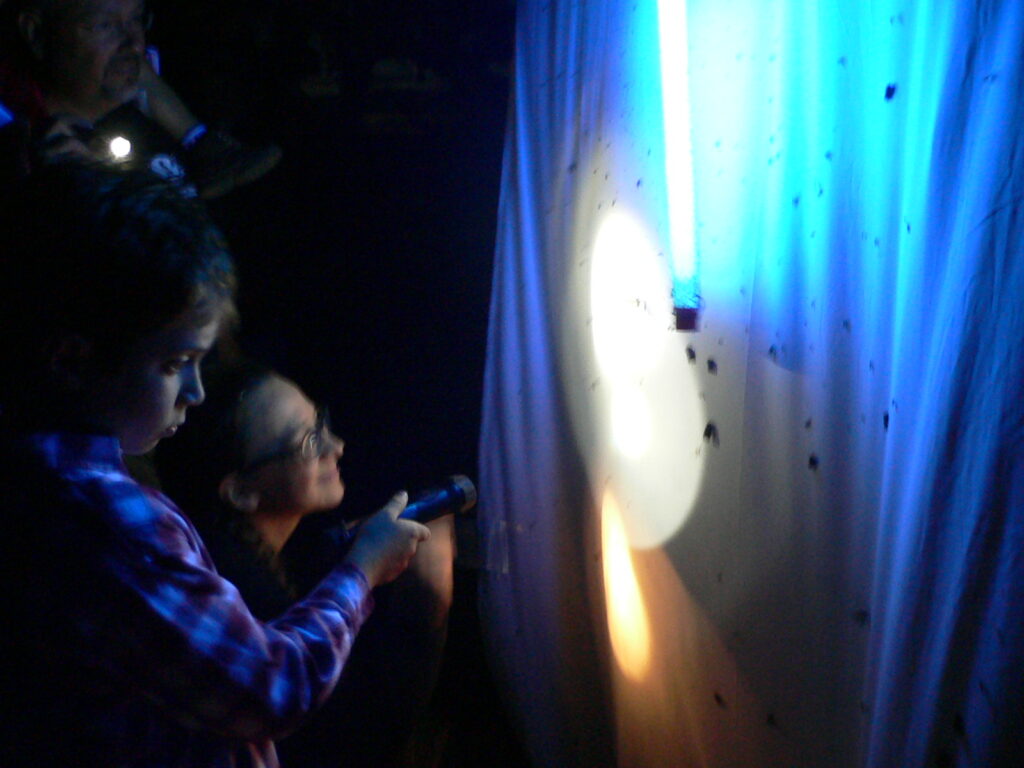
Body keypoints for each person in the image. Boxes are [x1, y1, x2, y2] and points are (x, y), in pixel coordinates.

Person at [0, 161, 431, 767]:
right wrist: (363, 571)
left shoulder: (43, 480)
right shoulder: (106, 518)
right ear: (72, 360)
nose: (195, 392)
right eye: (176, 363)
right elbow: (270, 688)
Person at [155, 358, 455, 767]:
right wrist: (426, 604)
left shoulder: (263, 554)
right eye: (308, 441)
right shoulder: (240, 592)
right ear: (241, 491)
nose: (336, 446)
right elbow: (356, 741)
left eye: (322, 423)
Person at [0, 0, 281, 196]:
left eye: (136, 18)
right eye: (103, 26)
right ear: (36, 33)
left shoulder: (181, 85)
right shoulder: (21, 145)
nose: (132, 42)